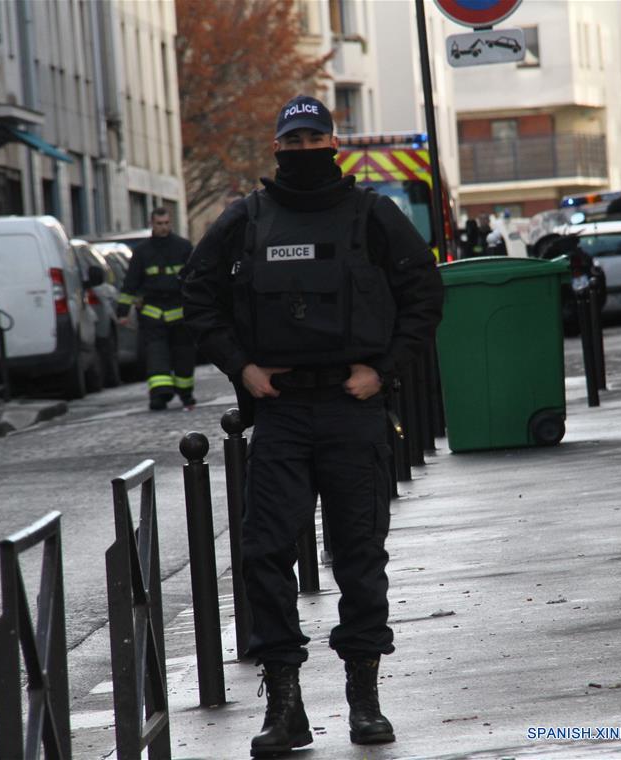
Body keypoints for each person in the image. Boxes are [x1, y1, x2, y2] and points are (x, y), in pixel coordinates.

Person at [183, 95, 443, 757]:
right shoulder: (246, 219)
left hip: (352, 408)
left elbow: (423, 293)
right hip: (281, 411)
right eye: (291, 141)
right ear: (278, 145)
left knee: (359, 557)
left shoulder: (372, 215)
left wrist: (382, 373)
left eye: (312, 139)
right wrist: (241, 368)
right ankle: (284, 708)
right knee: (263, 555)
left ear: (333, 140)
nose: (302, 151)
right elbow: (197, 294)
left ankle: (364, 701)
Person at [117, 207, 196, 410]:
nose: (163, 227)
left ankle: (186, 393)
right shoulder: (142, 251)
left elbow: (195, 279)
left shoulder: (183, 247)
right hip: (153, 313)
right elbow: (130, 283)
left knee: (184, 356)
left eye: (167, 223)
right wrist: (122, 311)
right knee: (156, 356)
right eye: (159, 224)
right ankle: (160, 395)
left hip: (179, 312)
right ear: (152, 224)